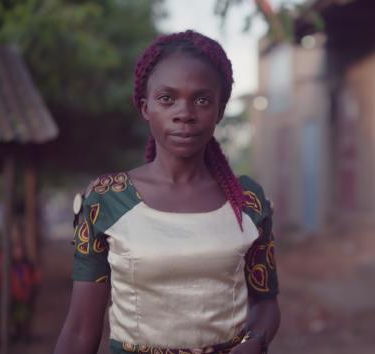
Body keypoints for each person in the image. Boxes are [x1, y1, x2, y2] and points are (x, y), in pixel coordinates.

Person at [55, 30, 280, 354]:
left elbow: (266, 304)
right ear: (146, 108)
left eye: (202, 100)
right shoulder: (107, 199)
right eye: (167, 98)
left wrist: (254, 342)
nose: (184, 113)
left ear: (219, 110)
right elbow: (79, 331)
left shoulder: (246, 199)